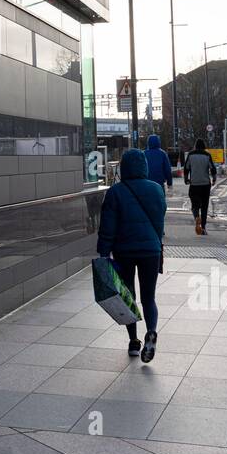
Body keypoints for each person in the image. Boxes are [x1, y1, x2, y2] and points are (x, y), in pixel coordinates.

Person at [96, 149, 164, 362]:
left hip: (124, 251)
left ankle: (134, 342)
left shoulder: (116, 192)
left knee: (128, 297)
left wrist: (104, 252)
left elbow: (108, 226)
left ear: (123, 167)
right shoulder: (156, 189)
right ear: (144, 165)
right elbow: (160, 222)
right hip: (151, 250)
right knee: (149, 297)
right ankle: (151, 331)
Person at [184, 138, 218, 235]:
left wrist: (186, 179)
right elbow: (213, 168)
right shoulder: (207, 155)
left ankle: (196, 217)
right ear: (204, 146)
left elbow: (186, 168)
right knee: (204, 206)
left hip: (194, 184)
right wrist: (214, 179)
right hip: (205, 185)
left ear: (195, 146)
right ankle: (203, 227)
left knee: (194, 204)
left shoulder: (190, 155)